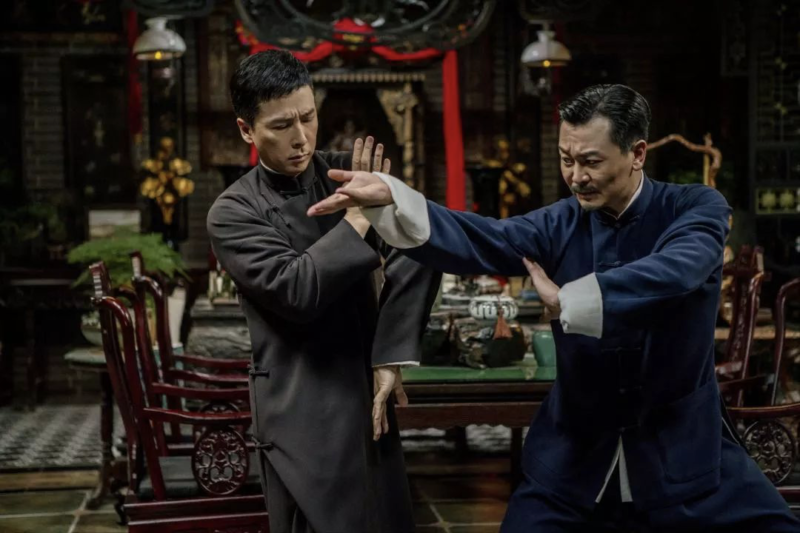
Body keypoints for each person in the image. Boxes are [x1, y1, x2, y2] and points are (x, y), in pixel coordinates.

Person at [308, 84, 800, 531]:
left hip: (682, 449)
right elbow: (483, 237)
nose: (575, 177)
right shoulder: (560, 222)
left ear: (637, 154)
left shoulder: (695, 207)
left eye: (590, 161)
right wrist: (391, 199)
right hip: (574, 455)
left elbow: (678, 270)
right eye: (566, 159)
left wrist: (569, 301)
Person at [206, 50, 440, 533]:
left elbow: (421, 242)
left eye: (308, 117)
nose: (301, 137)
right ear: (247, 130)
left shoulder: (345, 174)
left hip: (364, 389)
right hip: (300, 404)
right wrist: (357, 218)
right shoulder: (233, 212)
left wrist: (390, 354)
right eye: (281, 125)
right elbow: (297, 291)